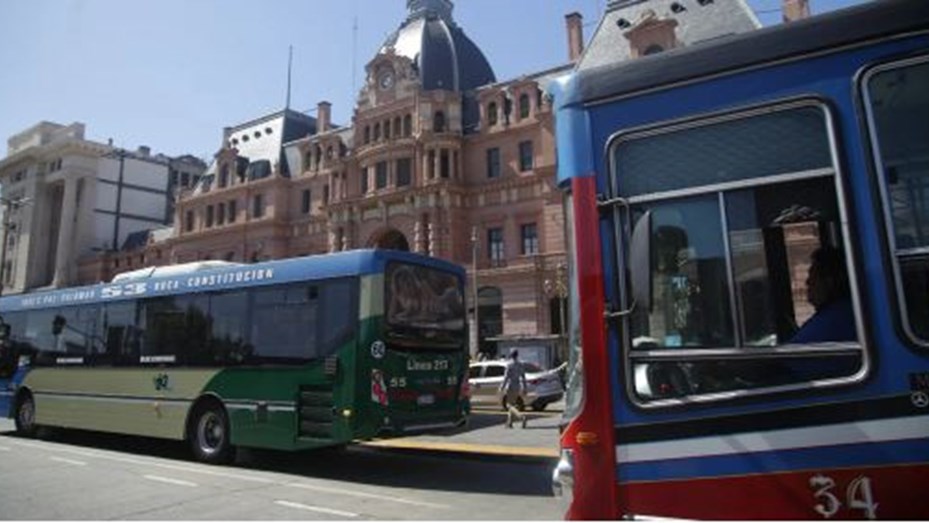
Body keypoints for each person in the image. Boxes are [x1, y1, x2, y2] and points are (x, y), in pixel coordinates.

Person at [790, 246, 857, 343]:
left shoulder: (835, 319)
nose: (807, 282)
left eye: (813, 276)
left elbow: (798, 348)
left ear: (829, 281)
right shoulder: (841, 311)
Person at [500, 349, 528, 428]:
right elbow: (523, 377)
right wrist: (525, 388)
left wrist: (502, 387)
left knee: (509, 405)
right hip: (518, 386)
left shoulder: (509, 364)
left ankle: (521, 416)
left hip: (511, 386)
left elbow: (506, 377)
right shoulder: (520, 364)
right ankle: (509, 423)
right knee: (512, 404)